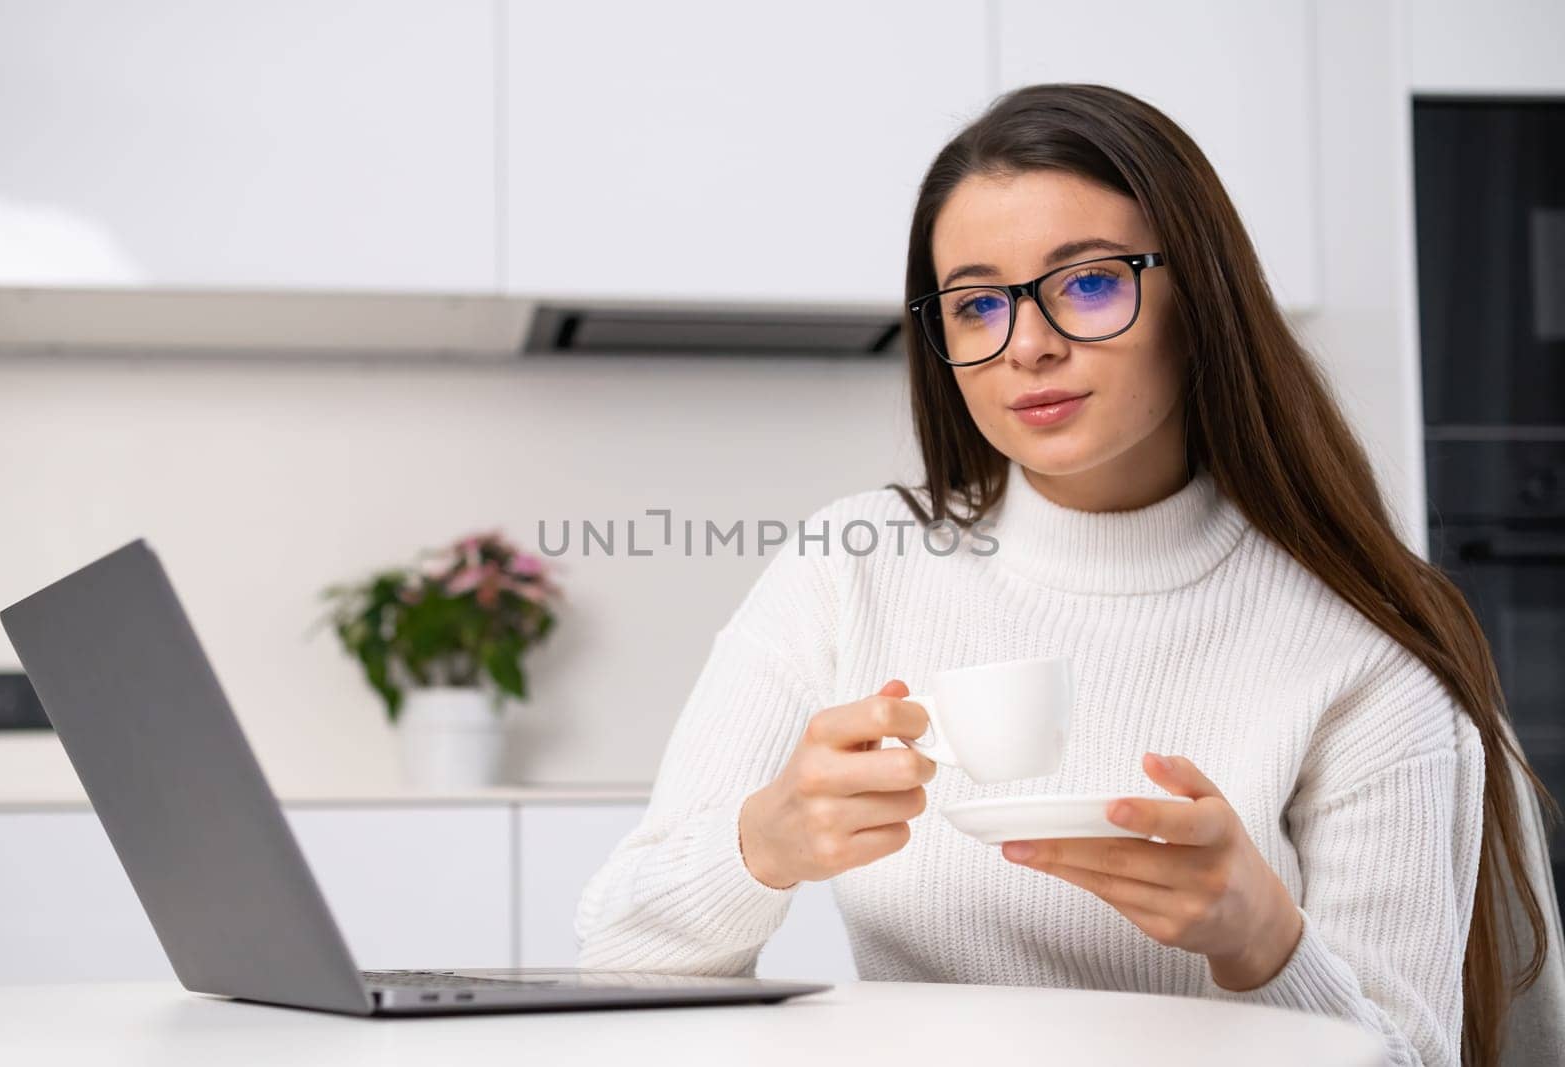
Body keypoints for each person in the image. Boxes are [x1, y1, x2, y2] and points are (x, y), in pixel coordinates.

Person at [573, 84, 1558, 1067]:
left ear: (1200, 300)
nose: (1029, 344)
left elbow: (1410, 1057)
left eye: (1088, 282)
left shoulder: (1361, 644)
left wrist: (1264, 941)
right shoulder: (850, 565)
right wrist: (760, 845)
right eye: (976, 304)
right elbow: (615, 956)